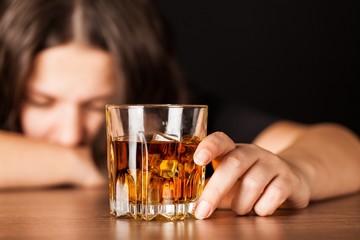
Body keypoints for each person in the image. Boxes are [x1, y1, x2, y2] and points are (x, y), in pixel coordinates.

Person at [0, 0, 359, 221]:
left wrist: (295, 171)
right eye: (41, 102)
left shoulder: (179, 127)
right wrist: (87, 163)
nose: (69, 132)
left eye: (98, 105)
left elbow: (347, 148)